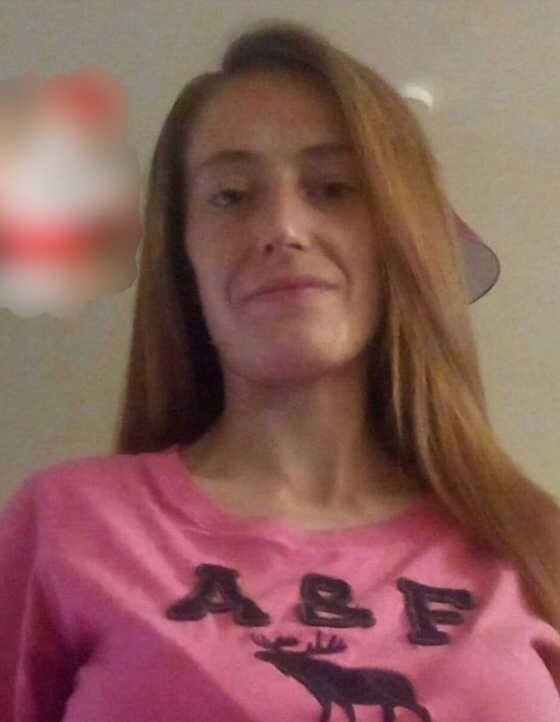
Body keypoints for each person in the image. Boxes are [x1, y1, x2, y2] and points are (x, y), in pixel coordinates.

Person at [1, 19, 559, 722]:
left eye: (333, 187)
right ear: (185, 253)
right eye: (232, 196)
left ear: (401, 237)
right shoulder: (69, 525)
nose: (283, 228)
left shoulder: (534, 544)